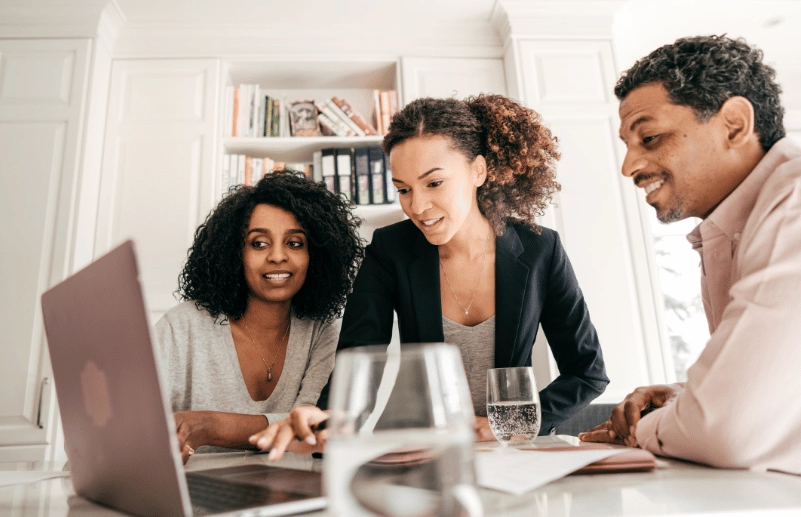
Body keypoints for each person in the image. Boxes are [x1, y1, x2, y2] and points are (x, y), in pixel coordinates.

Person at [252, 94, 609, 458]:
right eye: (403, 189)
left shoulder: (539, 250)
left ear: (478, 171)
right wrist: (326, 417)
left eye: (434, 183)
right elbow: (359, 359)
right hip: (424, 451)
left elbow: (587, 372)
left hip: (511, 452)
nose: (417, 207)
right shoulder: (389, 250)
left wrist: (512, 423)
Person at [579, 35, 801, 483]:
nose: (628, 166)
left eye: (649, 136)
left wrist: (649, 427)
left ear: (736, 124)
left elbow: (726, 431)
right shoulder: (733, 229)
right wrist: (687, 400)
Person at [156, 170, 363, 463]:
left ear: (316, 256)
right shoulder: (181, 328)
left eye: (294, 243)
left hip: (293, 493)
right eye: (259, 243)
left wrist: (206, 425)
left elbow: (309, 427)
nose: (277, 256)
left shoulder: (324, 331)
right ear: (233, 253)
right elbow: (132, 426)